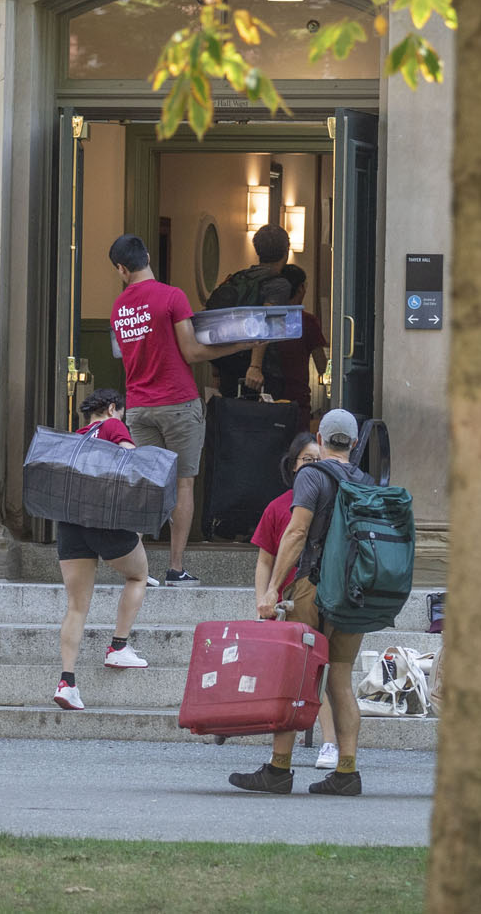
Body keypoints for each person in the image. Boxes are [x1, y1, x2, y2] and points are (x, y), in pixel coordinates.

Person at [229, 408, 373, 797]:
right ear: (355, 443)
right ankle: (347, 771)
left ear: (322, 439)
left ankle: (279, 769)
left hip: (312, 586)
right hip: (354, 593)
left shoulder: (312, 475)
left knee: (296, 674)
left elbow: (295, 534)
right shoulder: (366, 481)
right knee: (340, 679)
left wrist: (274, 588)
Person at [106, 232, 236, 585]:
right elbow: (191, 352)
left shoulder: (120, 307)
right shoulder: (172, 296)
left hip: (139, 406)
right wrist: (235, 347)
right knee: (182, 485)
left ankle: (139, 569)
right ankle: (175, 567)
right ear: (147, 256)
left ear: (121, 269)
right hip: (178, 402)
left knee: (146, 484)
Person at [52, 389, 151, 709]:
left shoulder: (76, 437)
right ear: (112, 408)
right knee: (138, 576)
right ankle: (118, 647)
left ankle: (67, 683)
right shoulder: (111, 426)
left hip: (69, 522)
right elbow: (129, 457)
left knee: (76, 606)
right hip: (104, 520)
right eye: (121, 412)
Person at [250, 431, 337, 769]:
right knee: (296, 675)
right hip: (285, 603)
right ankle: (281, 756)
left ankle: (328, 743)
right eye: (306, 461)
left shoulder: (333, 503)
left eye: (319, 460)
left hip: (319, 596)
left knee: (320, 672)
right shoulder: (277, 507)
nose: (312, 467)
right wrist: (263, 599)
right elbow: (264, 559)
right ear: (294, 465)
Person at [205, 223, 292, 399]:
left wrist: (216, 368)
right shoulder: (279, 285)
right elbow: (266, 319)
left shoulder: (237, 279)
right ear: (286, 252)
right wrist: (255, 367)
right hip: (258, 374)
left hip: (228, 367)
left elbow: (215, 320)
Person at [256, 271, 328, 406]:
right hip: (297, 397)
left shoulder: (267, 319)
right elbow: (322, 366)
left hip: (266, 394)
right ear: (300, 288)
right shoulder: (307, 321)